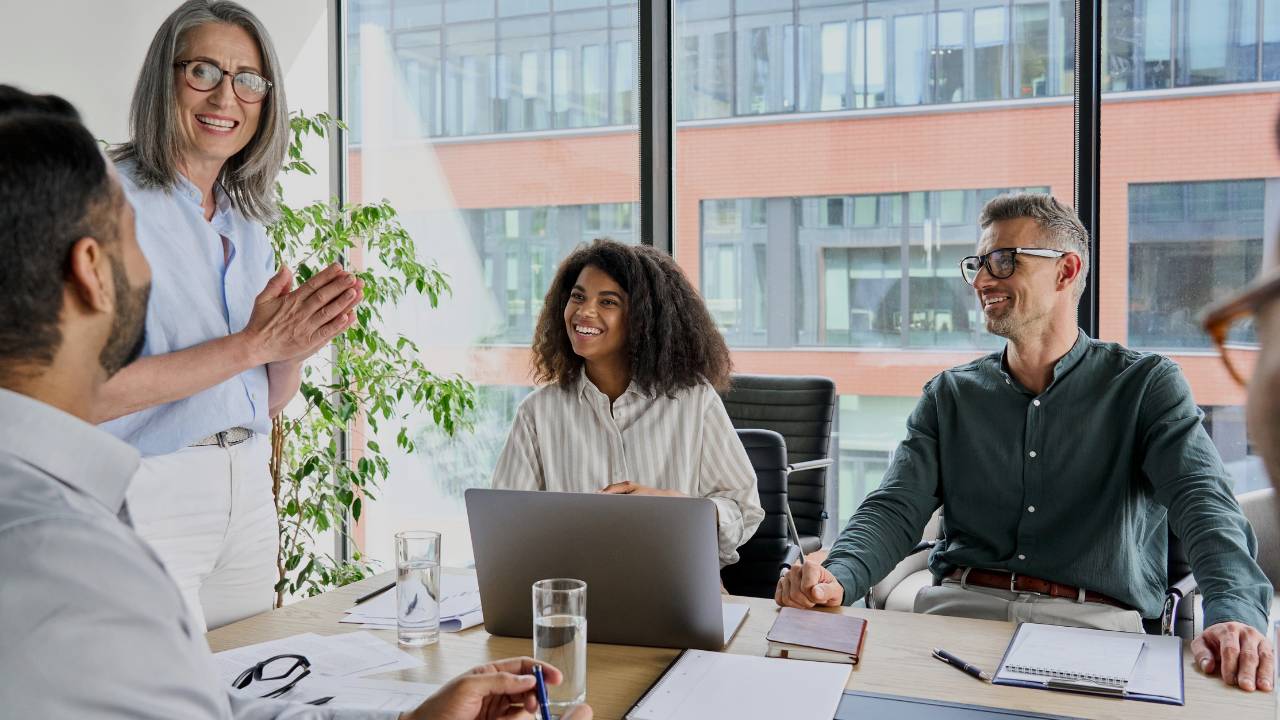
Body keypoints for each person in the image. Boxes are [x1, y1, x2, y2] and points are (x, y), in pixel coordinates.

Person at [0, 84, 591, 720]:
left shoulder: (59, 522)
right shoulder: (68, 562)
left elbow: (202, 704)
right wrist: (255, 342)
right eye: (134, 235)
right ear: (91, 270)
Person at [777, 192, 1276, 693]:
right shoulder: (950, 394)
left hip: (1095, 630)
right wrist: (835, 575)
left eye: (1002, 261)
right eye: (977, 263)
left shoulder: (1146, 386)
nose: (981, 280)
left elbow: (1204, 505)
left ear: (1065, 271)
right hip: (955, 620)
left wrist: (1236, 615)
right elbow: (894, 509)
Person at [96, 0, 364, 632]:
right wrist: (254, 342)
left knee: (249, 685)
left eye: (249, 79)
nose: (227, 96)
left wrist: (292, 345)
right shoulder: (101, 199)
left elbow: (261, 401)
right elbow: (78, 396)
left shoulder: (250, 219)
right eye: (204, 73)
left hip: (245, 490)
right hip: (147, 490)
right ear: (165, 79)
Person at [491, 239, 765, 567]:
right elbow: (503, 528)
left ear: (643, 319)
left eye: (608, 301)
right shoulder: (537, 413)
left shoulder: (694, 401)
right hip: (573, 592)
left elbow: (743, 508)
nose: (584, 312)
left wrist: (679, 507)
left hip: (676, 586)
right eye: (578, 296)